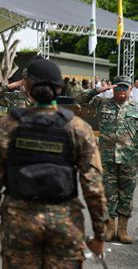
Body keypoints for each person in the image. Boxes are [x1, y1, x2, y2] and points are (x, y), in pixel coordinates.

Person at [0, 58, 107, 267]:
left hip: (18, 224)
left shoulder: (6, 127)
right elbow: (94, 186)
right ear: (59, 87)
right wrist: (100, 235)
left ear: (27, 86)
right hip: (65, 224)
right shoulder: (78, 128)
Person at [75, 75, 137, 243]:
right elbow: (78, 99)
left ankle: (122, 229)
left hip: (130, 159)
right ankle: (110, 227)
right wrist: (98, 90)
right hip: (107, 157)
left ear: (130, 89)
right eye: (118, 87)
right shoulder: (102, 103)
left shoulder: (136, 108)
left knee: (126, 195)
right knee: (108, 194)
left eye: (125, 87)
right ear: (113, 89)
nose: (121, 90)